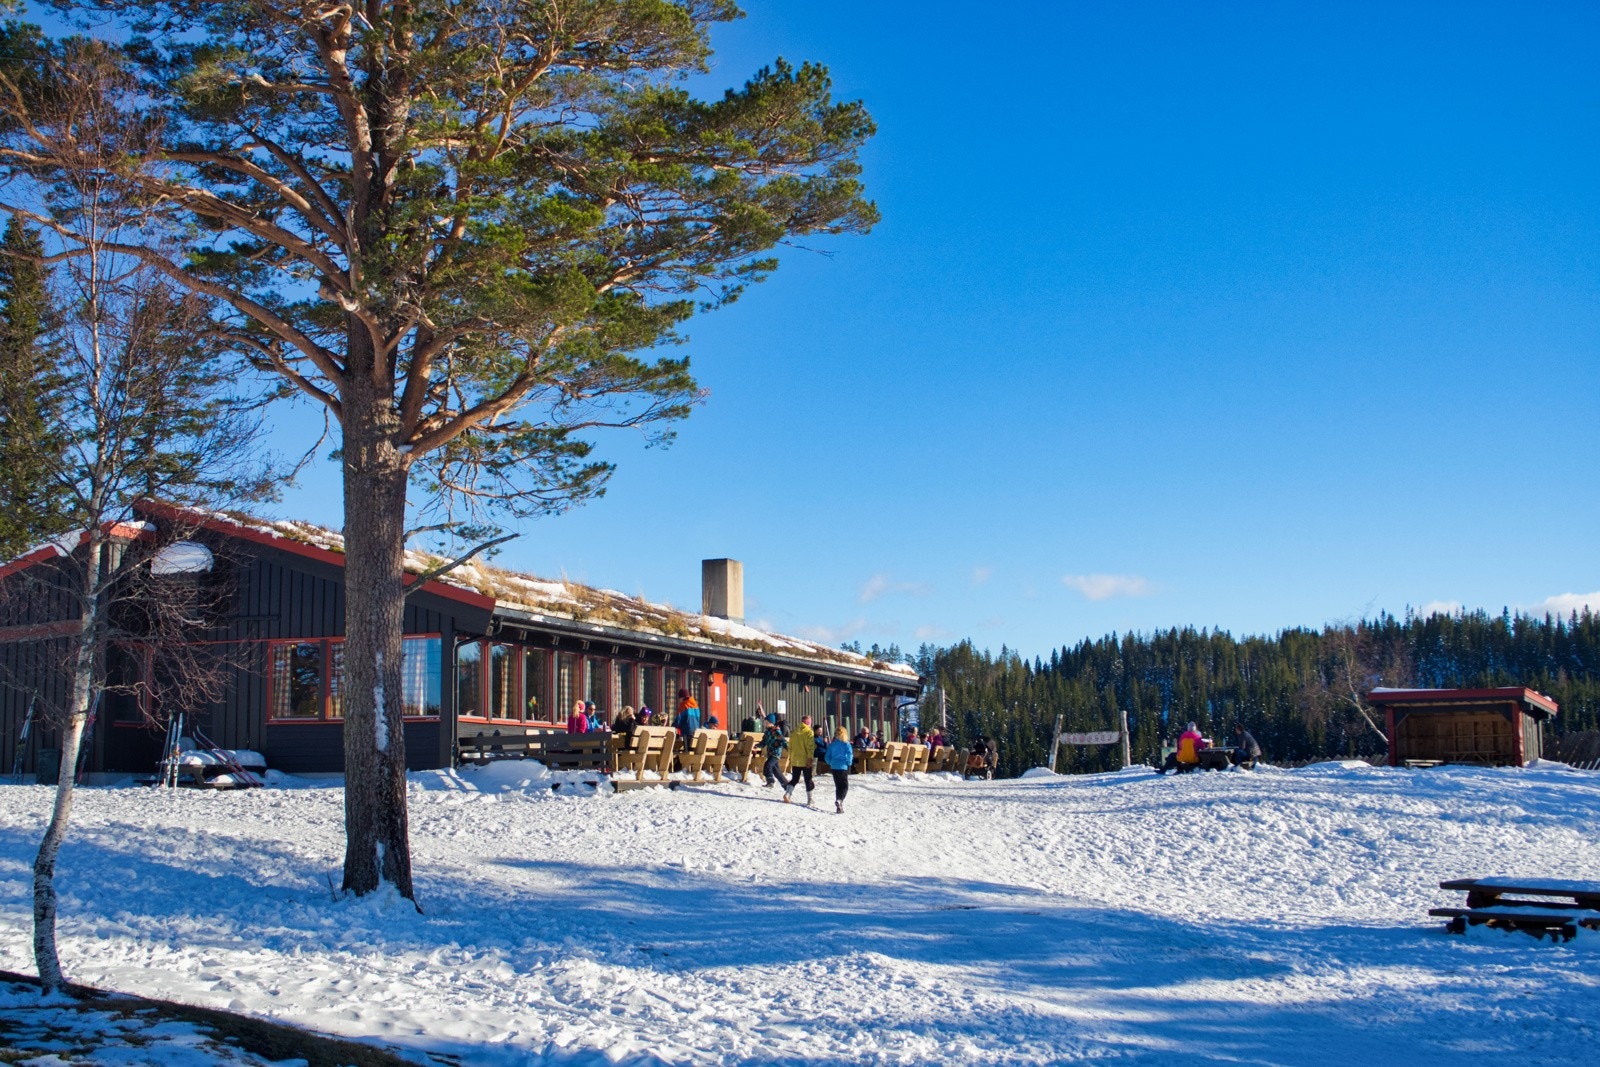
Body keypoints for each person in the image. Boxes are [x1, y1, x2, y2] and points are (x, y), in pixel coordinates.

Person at [784, 715, 816, 805]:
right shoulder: (809, 732)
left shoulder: (794, 732)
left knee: (795, 778)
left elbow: (789, 746)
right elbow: (810, 747)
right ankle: (810, 799)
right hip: (805, 760)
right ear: (808, 723)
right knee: (808, 779)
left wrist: (791, 757)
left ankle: (787, 794)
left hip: (795, 760)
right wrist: (810, 758)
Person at [824, 726, 854, 814]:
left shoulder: (832, 744)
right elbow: (849, 754)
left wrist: (830, 762)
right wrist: (849, 763)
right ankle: (840, 800)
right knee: (844, 786)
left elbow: (827, 756)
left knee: (838, 786)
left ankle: (839, 805)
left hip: (834, 767)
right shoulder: (846, 744)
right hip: (843, 766)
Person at [759, 714, 786, 787]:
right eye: (765, 722)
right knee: (776, 771)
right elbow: (764, 742)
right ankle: (785, 784)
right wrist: (758, 746)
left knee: (767, 766)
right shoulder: (767, 732)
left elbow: (782, 740)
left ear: (771, 723)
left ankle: (770, 781)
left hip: (775, 753)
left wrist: (787, 747)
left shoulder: (775, 731)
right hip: (770, 753)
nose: (765, 724)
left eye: (767, 722)